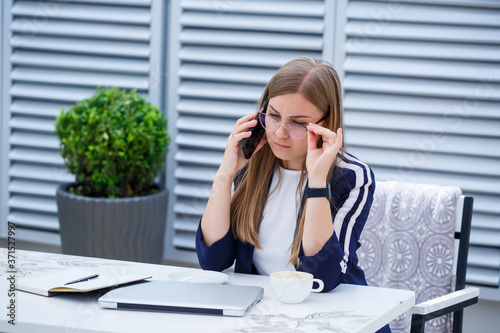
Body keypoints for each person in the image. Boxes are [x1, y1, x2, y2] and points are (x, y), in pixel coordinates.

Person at [196, 57, 385, 331]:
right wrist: (225, 174)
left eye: (297, 123)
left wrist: (317, 180)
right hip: (265, 317)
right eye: (272, 116)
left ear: (326, 123)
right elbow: (213, 262)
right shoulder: (252, 161)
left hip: (335, 319)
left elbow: (322, 278)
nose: (280, 134)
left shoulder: (352, 176)